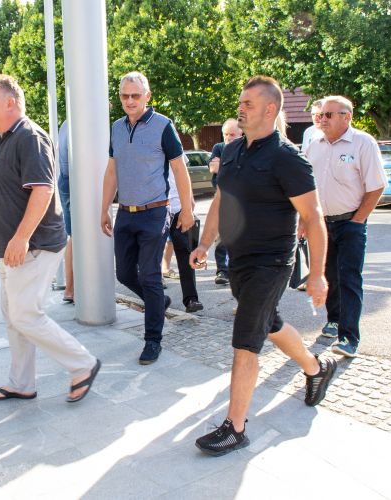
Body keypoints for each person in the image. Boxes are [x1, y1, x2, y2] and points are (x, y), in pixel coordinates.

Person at [189, 76, 337, 456]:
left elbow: (314, 217)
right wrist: (205, 243)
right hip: (239, 261)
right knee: (268, 323)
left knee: (246, 338)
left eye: (248, 104)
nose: (240, 108)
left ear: (270, 110)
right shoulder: (232, 151)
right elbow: (221, 200)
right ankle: (316, 368)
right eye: (240, 102)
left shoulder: (287, 158)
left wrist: (317, 274)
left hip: (271, 263)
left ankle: (235, 428)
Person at [0, 74, 100, 403]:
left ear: (10, 103)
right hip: (15, 249)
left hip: (34, 246)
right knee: (14, 316)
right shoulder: (8, 138)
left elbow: (43, 190)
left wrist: (20, 238)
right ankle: (21, 383)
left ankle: (83, 364)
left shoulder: (30, 136)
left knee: (25, 315)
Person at [101, 71, 195, 365]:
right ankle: (158, 302)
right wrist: (103, 208)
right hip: (125, 213)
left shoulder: (163, 126)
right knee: (124, 274)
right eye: (124, 96)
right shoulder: (116, 128)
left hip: (155, 212)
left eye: (135, 95)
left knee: (150, 275)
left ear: (147, 96)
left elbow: (179, 169)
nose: (129, 101)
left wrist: (187, 209)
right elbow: (112, 170)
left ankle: (153, 340)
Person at [304, 95, 387, 357]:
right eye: (320, 115)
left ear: (346, 117)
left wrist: (358, 220)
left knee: (349, 278)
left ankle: (349, 337)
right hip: (321, 223)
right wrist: (304, 220)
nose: (322, 120)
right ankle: (333, 320)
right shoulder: (314, 145)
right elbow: (305, 187)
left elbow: (376, 186)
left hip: (350, 222)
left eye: (329, 115)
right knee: (327, 275)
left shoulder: (363, 143)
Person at [208, 118, 242, 285]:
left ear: (241, 134)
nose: (228, 138)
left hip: (243, 198)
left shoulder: (245, 147)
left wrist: (223, 165)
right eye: (226, 134)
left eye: (232, 135)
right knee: (221, 236)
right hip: (223, 197)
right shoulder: (219, 148)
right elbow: (213, 168)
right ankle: (222, 270)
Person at [166, 166, 203, 313]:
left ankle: (191, 299)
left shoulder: (177, 150)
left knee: (185, 253)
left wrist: (190, 199)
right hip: (155, 209)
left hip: (178, 210)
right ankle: (155, 298)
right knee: (151, 255)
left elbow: (183, 171)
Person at [57, 120, 74, 303]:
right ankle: (73, 289)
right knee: (80, 238)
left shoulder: (66, 122)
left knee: (74, 237)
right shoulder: (83, 121)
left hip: (66, 179)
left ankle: (70, 289)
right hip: (76, 180)